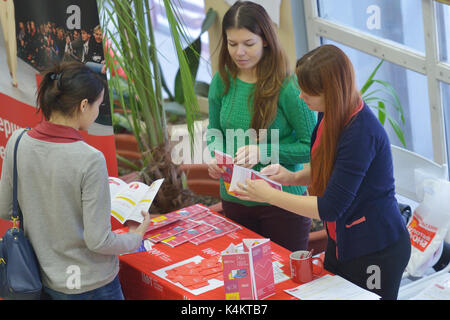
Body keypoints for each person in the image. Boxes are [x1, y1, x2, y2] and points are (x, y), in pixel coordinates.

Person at [235, 44, 411, 300]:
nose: (300, 97)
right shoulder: (330, 113)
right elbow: (331, 167)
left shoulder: (361, 133)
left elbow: (329, 207)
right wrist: (292, 177)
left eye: (308, 92)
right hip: (344, 241)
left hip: (376, 249)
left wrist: (270, 195)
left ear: (331, 92)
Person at [0, 61, 150, 300]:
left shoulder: (17, 141)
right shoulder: (89, 159)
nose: (98, 111)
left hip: (41, 277)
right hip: (92, 286)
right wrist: (135, 237)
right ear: (83, 105)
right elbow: (98, 241)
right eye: (98, 105)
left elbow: (6, 209)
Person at [206, 1, 316, 252]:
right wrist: (216, 157)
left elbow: (312, 146)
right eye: (232, 44)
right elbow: (214, 132)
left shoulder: (288, 86)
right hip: (235, 198)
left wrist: (264, 151)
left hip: (283, 204)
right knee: (242, 281)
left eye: (248, 44)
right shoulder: (222, 80)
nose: (239, 52)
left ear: (265, 40)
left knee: (284, 284)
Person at [0, 0, 18, 87]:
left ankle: (14, 77)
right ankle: (10, 66)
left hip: (9, 2)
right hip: (1, 3)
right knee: (6, 39)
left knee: (11, 40)